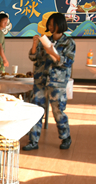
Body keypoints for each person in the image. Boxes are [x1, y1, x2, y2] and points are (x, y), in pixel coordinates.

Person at [22, 12, 75, 151]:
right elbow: (33, 57)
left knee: (58, 111)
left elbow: (67, 62)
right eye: (49, 24)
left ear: (60, 24)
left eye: (53, 24)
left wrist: (53, 53)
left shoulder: (69, 42)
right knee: (36, 110)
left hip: (57, 82)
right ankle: (33, 140)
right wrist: (35, 44)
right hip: (41, 80)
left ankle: (65, 137)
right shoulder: (45, 40)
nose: (50, 27)